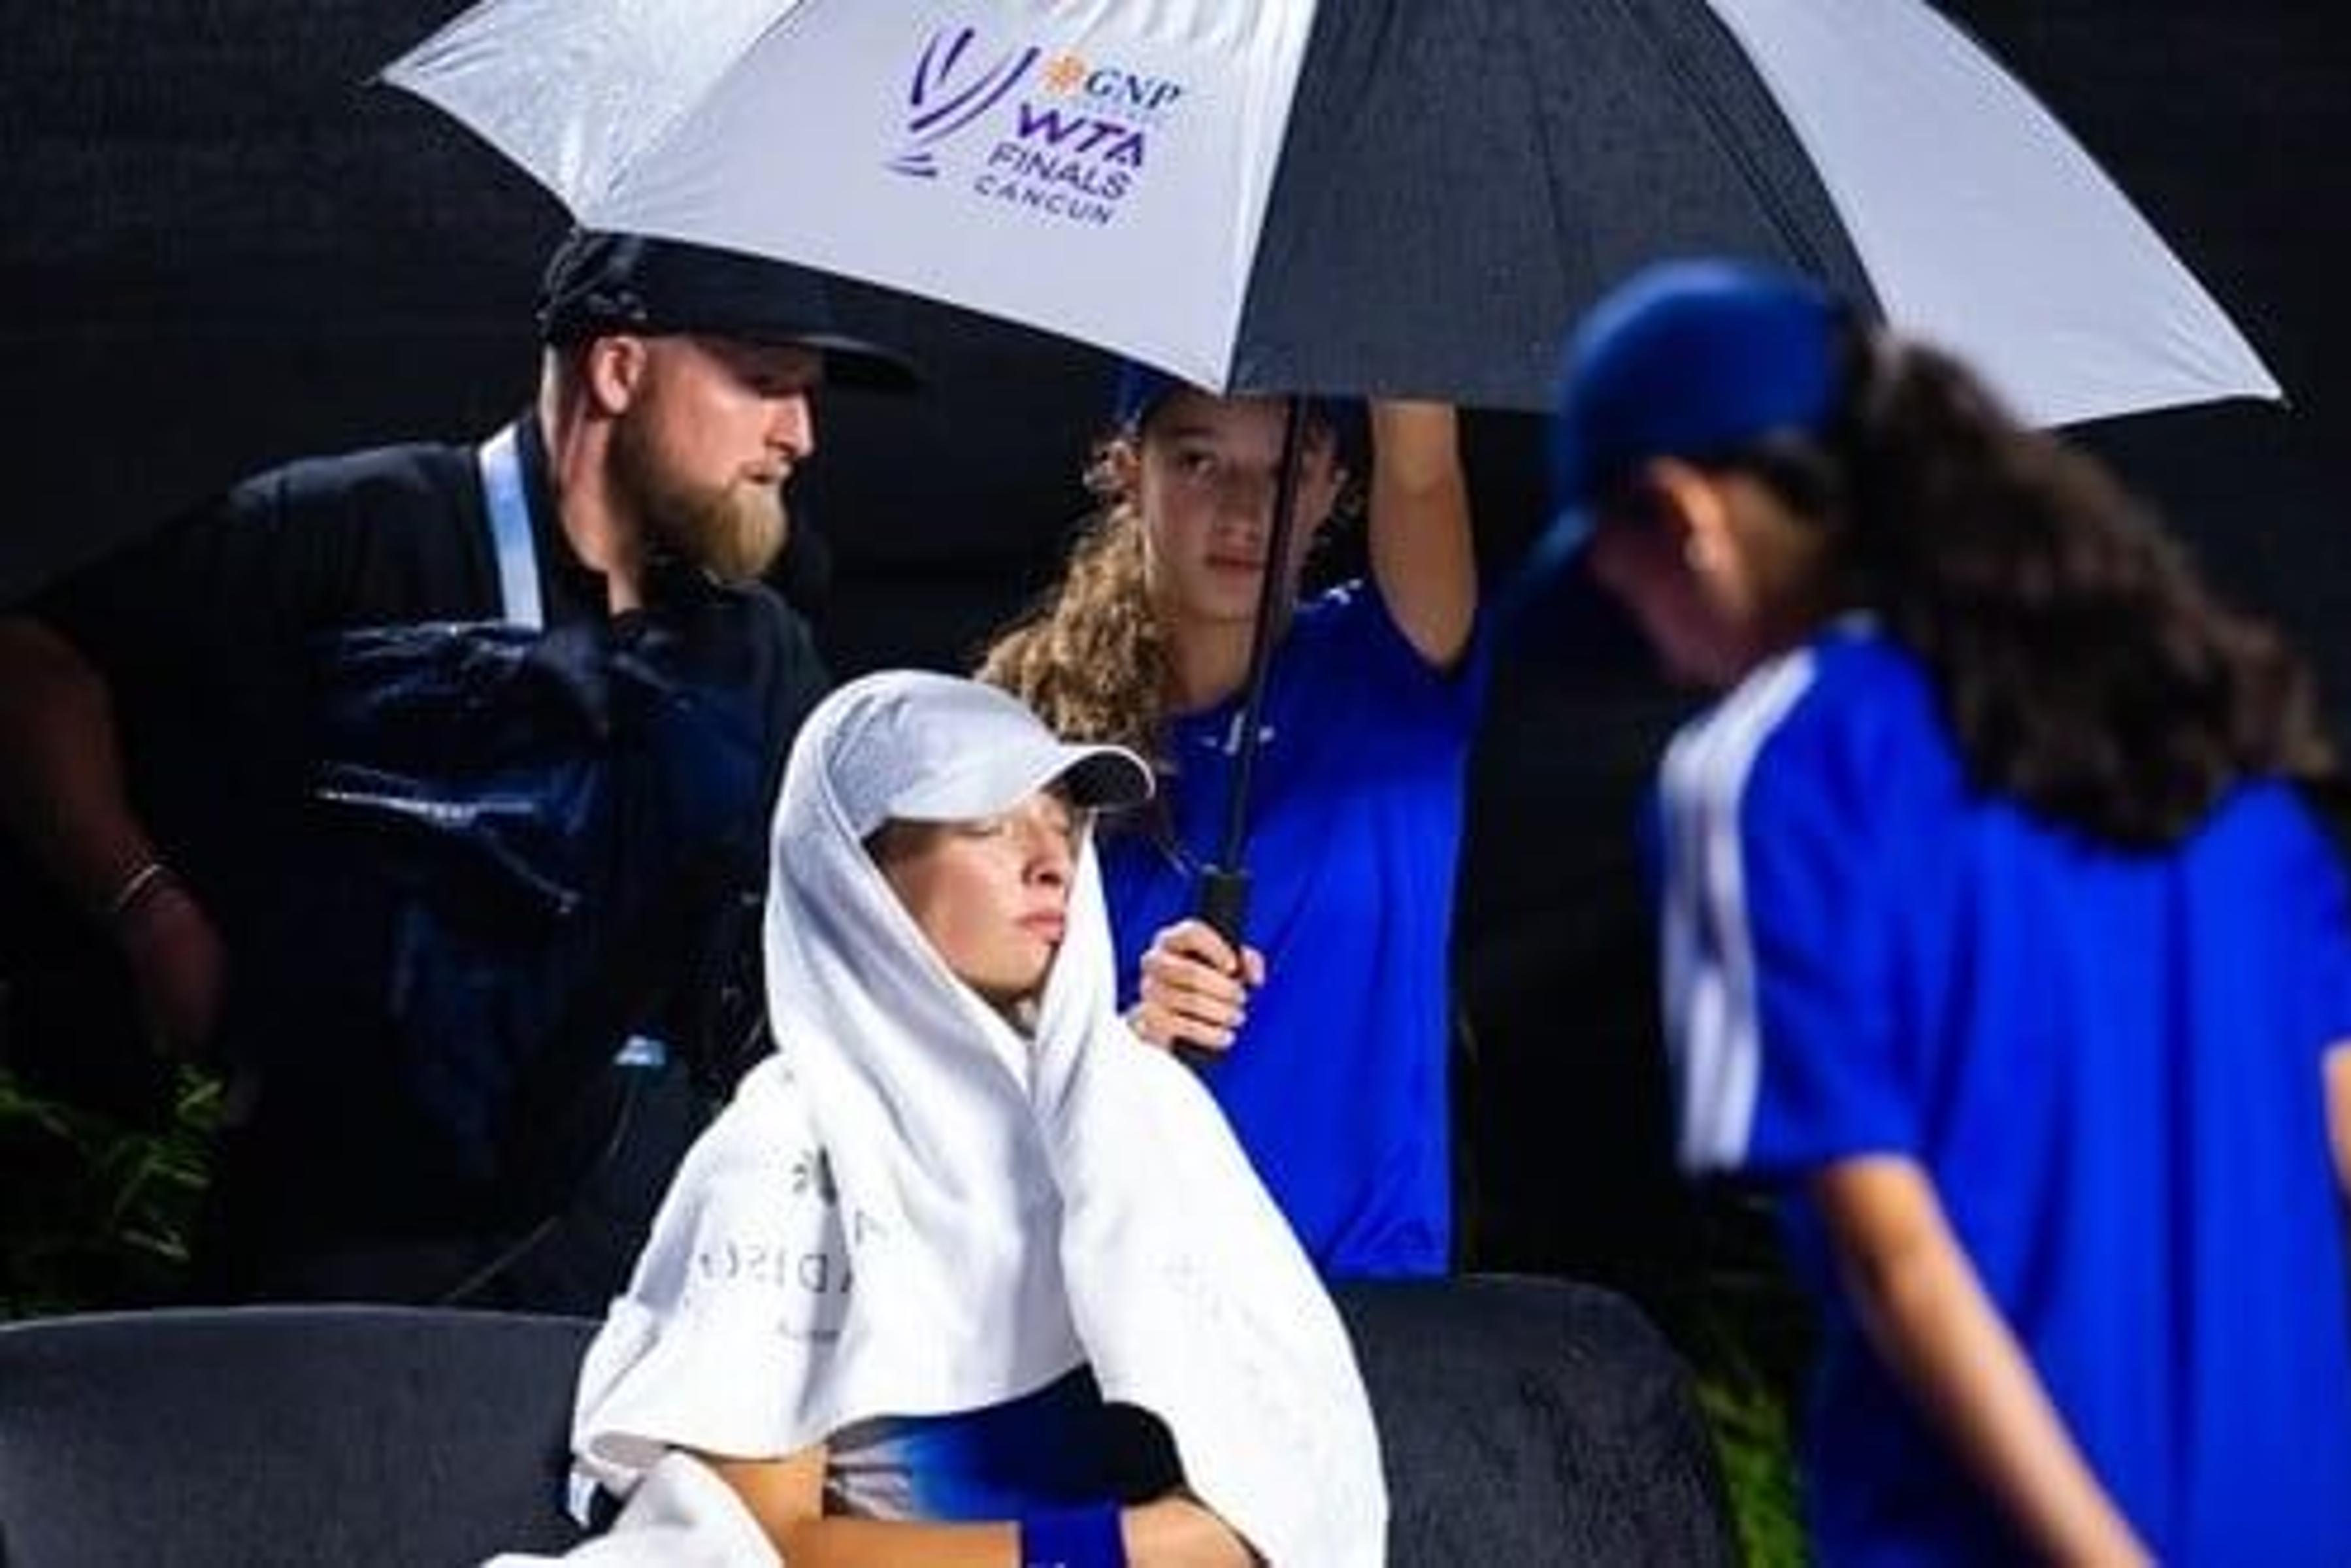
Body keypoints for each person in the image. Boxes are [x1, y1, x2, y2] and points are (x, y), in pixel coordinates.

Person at [1541, 259, 2351, 1564]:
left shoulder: (1767, 771)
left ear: (1685, 517)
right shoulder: (2209, 752)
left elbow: (1897, 1257)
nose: (1662, 655)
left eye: (1624, 598)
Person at [0, 229, 915, 1307]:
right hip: (340, 1222)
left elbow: (856, 902)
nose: (799, 435)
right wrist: (150, 913)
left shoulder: (760, 645)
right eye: (764, 385)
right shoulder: (351, 529)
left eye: (807, 398)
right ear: (620, 368)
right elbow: (30, 665)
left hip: (633, 1235)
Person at [518, 671, 1383, 1568]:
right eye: (988, 824)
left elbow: (1288, 1474)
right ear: (860, 870)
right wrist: (1114, 1553)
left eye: (1062, 821)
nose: (1051, 860)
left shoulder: (1138, 1109)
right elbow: (762, 1548)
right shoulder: (794, 1144)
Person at [978, 372, 1478, 1279]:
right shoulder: (1025, 734)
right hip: (1108, 1302)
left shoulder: (1388, 668)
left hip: (1359, 1305)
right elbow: (959, 1080)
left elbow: (1421, 470)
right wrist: (1133, 1042)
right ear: (1128, 471)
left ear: (1332, 489)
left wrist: (1385, 245)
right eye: (1200, 460)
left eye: (1286, 469)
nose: (1246, 509)